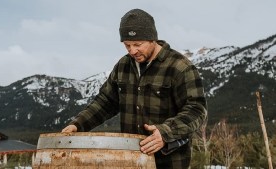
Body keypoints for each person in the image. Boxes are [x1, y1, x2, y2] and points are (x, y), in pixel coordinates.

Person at [62, 8, 207, 169]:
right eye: (127, 45)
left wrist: (166, 132)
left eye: (137, 44)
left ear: (152, 38)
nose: (132, 51)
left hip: (169, 162)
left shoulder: (180, 67)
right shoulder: (123, 66)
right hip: (132, 160)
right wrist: (78, 124)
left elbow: (196, 109)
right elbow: (105, 102)